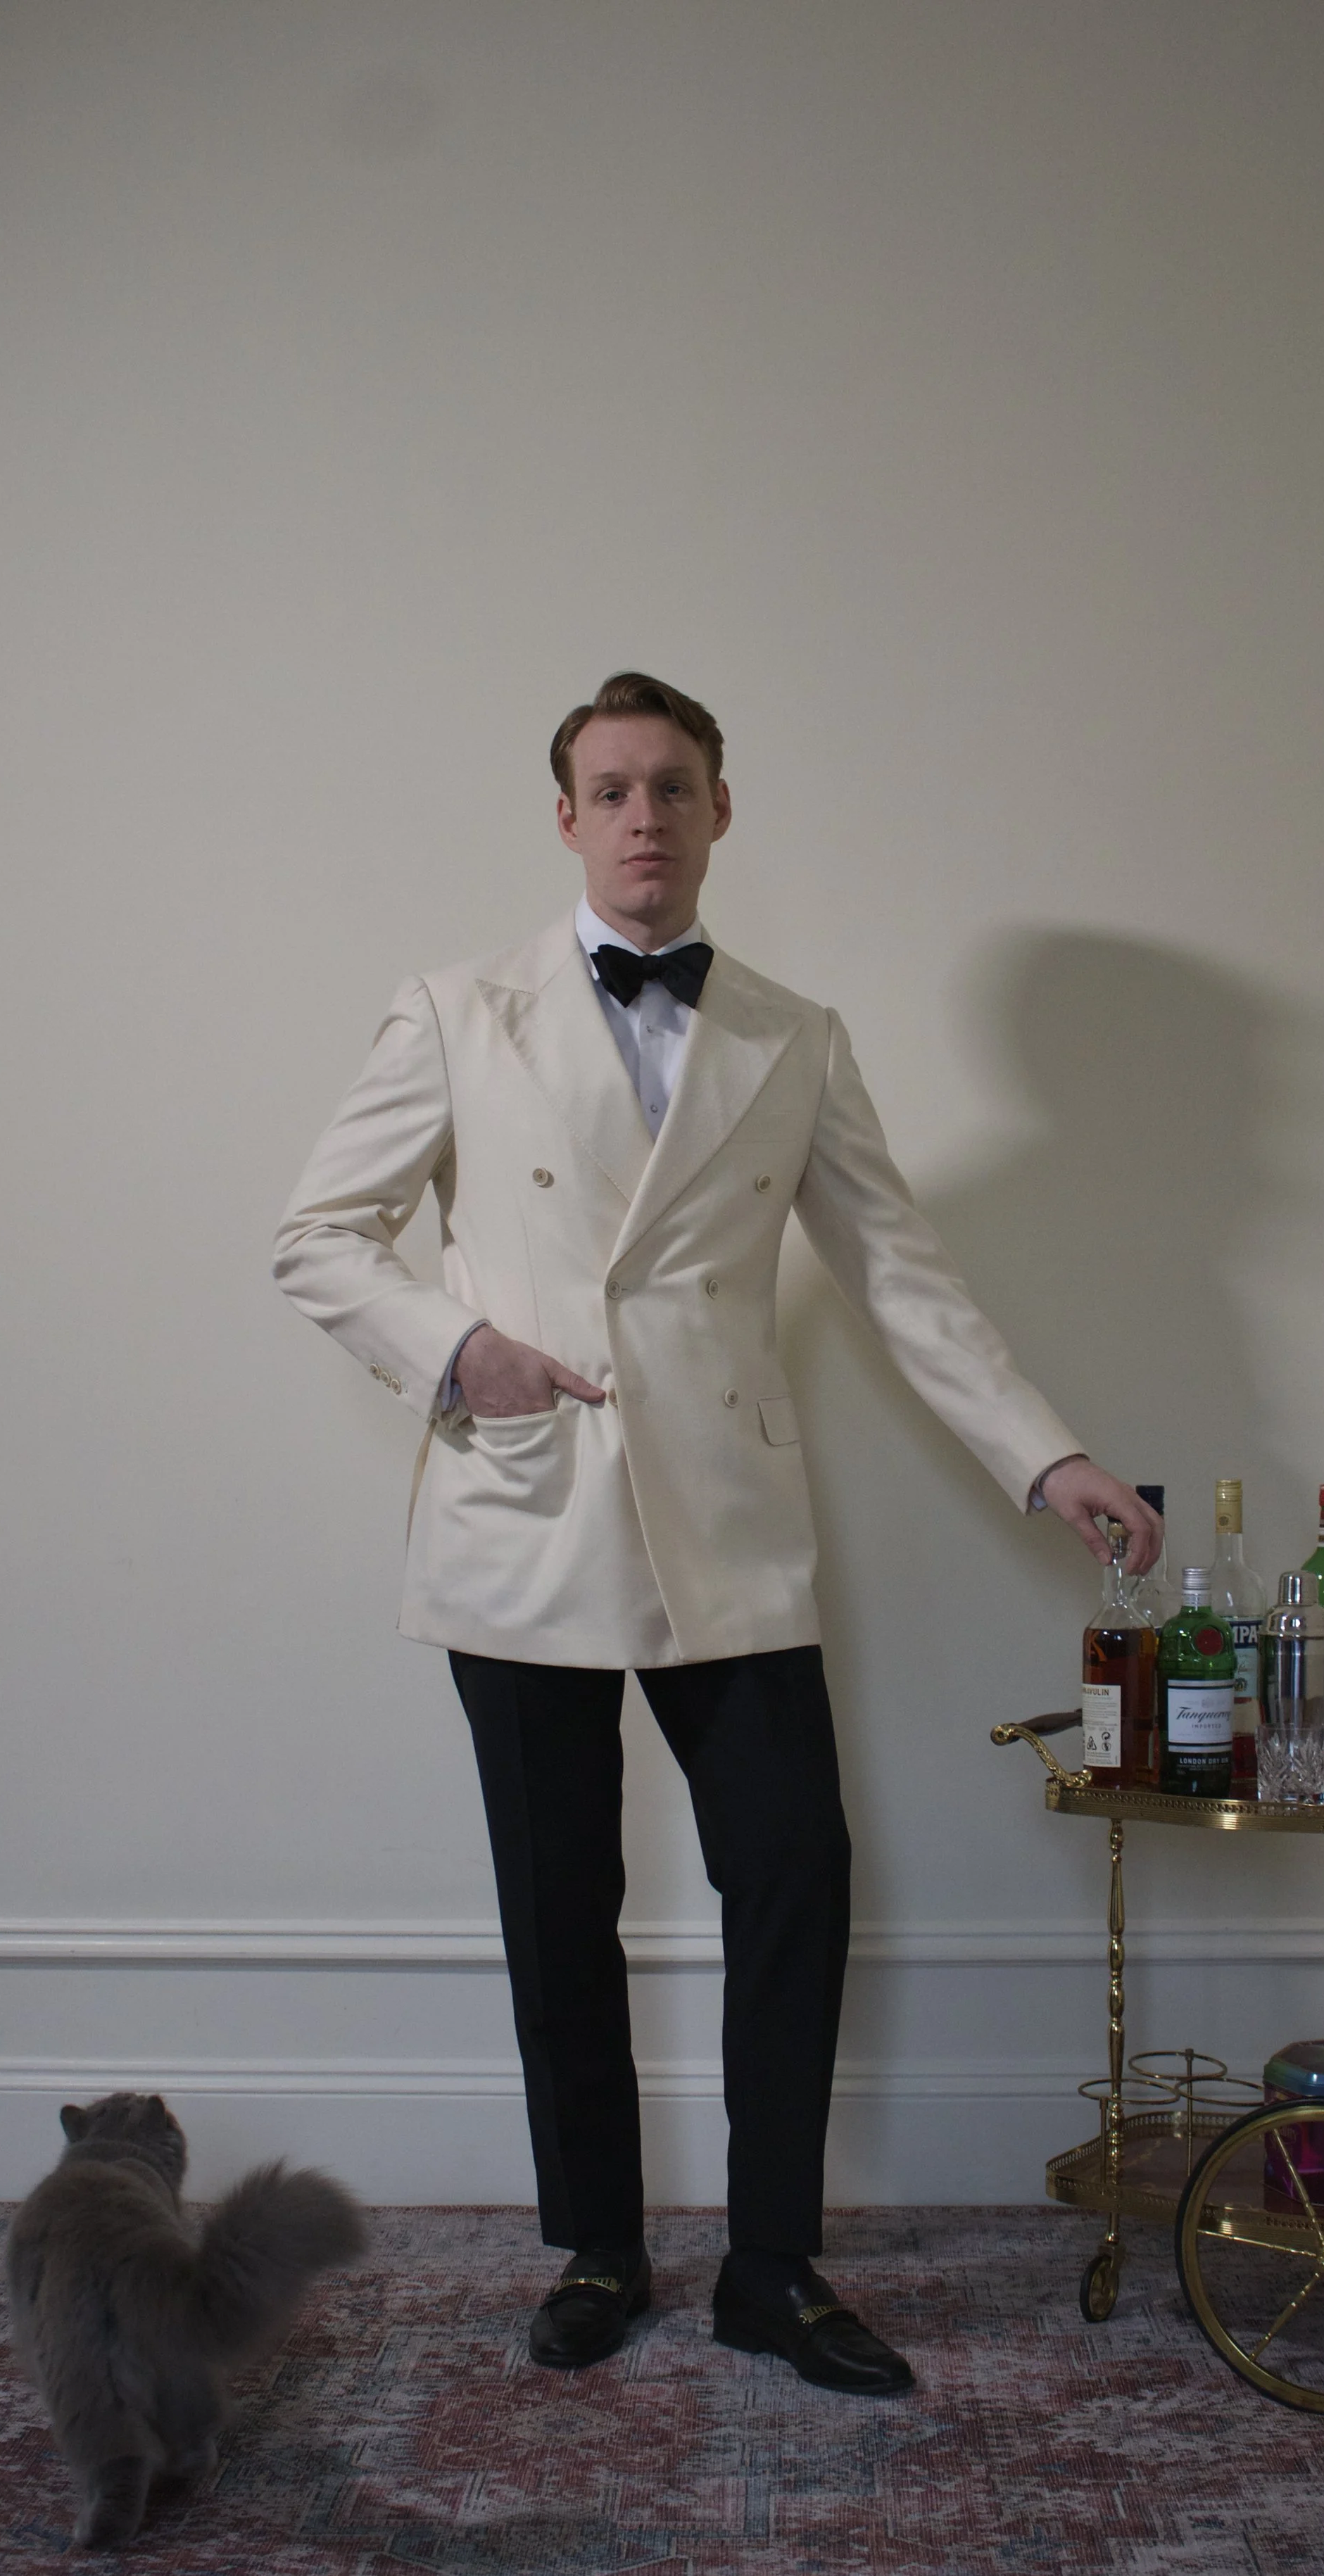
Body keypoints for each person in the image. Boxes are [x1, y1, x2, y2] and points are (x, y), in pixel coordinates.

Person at [273, 672, 1161, 2396]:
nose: (642, 821)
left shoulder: (791, 1032)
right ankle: (600, 2246)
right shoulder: (458, 1011)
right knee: (560, 1904)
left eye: (671, 787)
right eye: (609, 790)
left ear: (719, 808)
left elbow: (899, 1271)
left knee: (794, 1876)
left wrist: (1045, 1460)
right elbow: (317, 1235)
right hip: (525, 1508)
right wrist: (460, 1353)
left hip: (728, 1516)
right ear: (563, 818)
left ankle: (771, 2265)